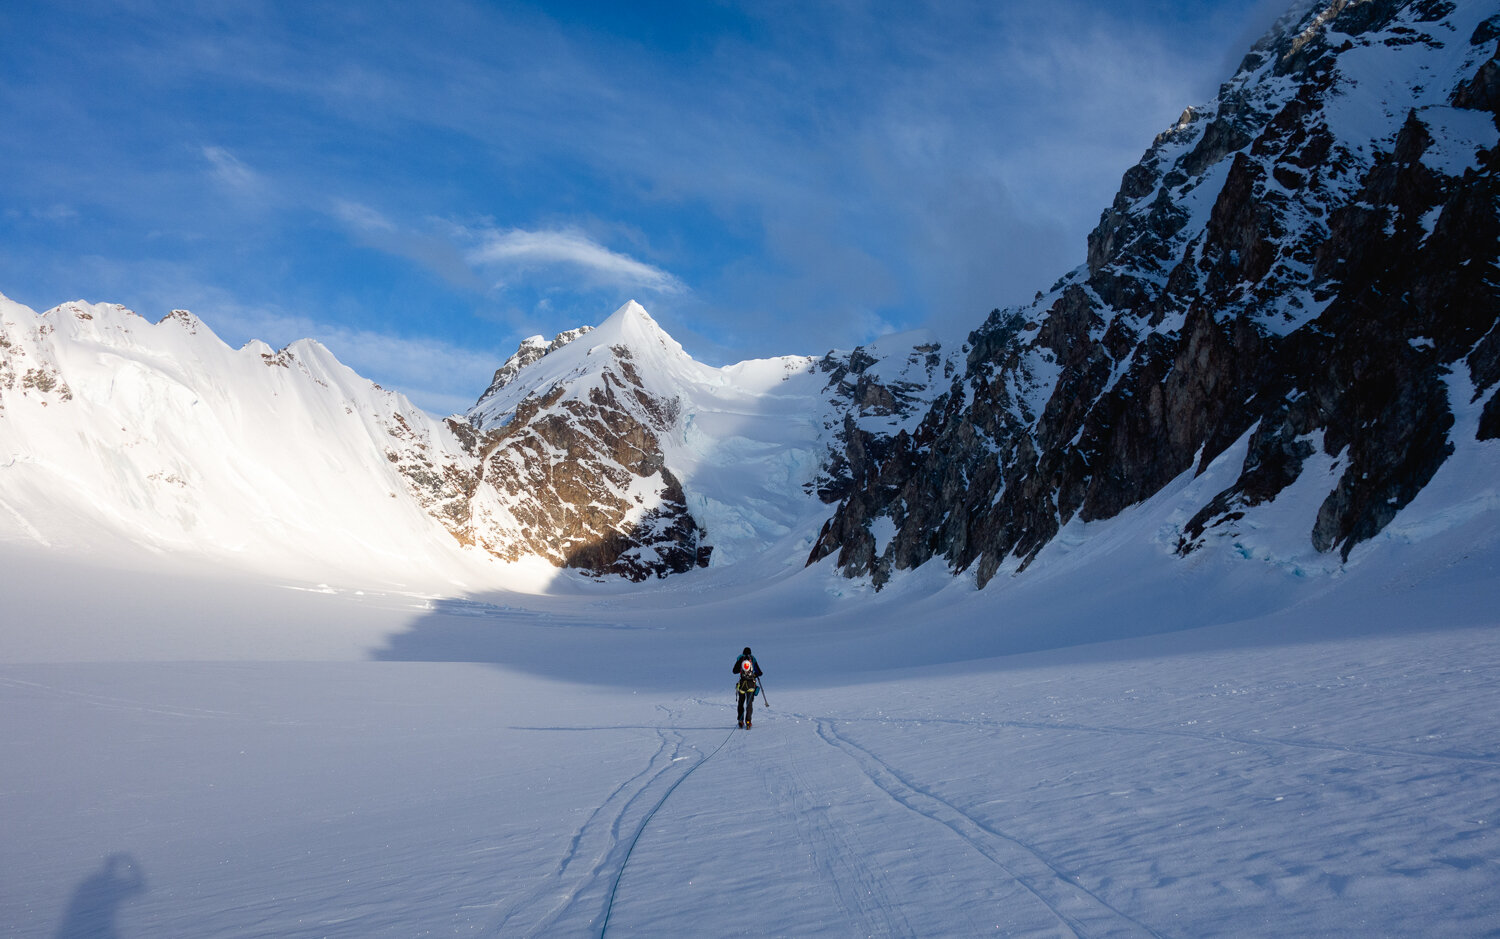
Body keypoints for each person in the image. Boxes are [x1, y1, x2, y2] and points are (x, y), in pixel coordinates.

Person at [733, 646, 762, 728]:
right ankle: (748, 721)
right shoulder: (752, 659)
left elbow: (734, 671)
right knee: (749, 704)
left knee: (741, 703)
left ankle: (740, 720)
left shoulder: (740, 660)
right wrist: (754, 675)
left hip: (742, 685)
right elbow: (760, 672)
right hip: (751, 685)